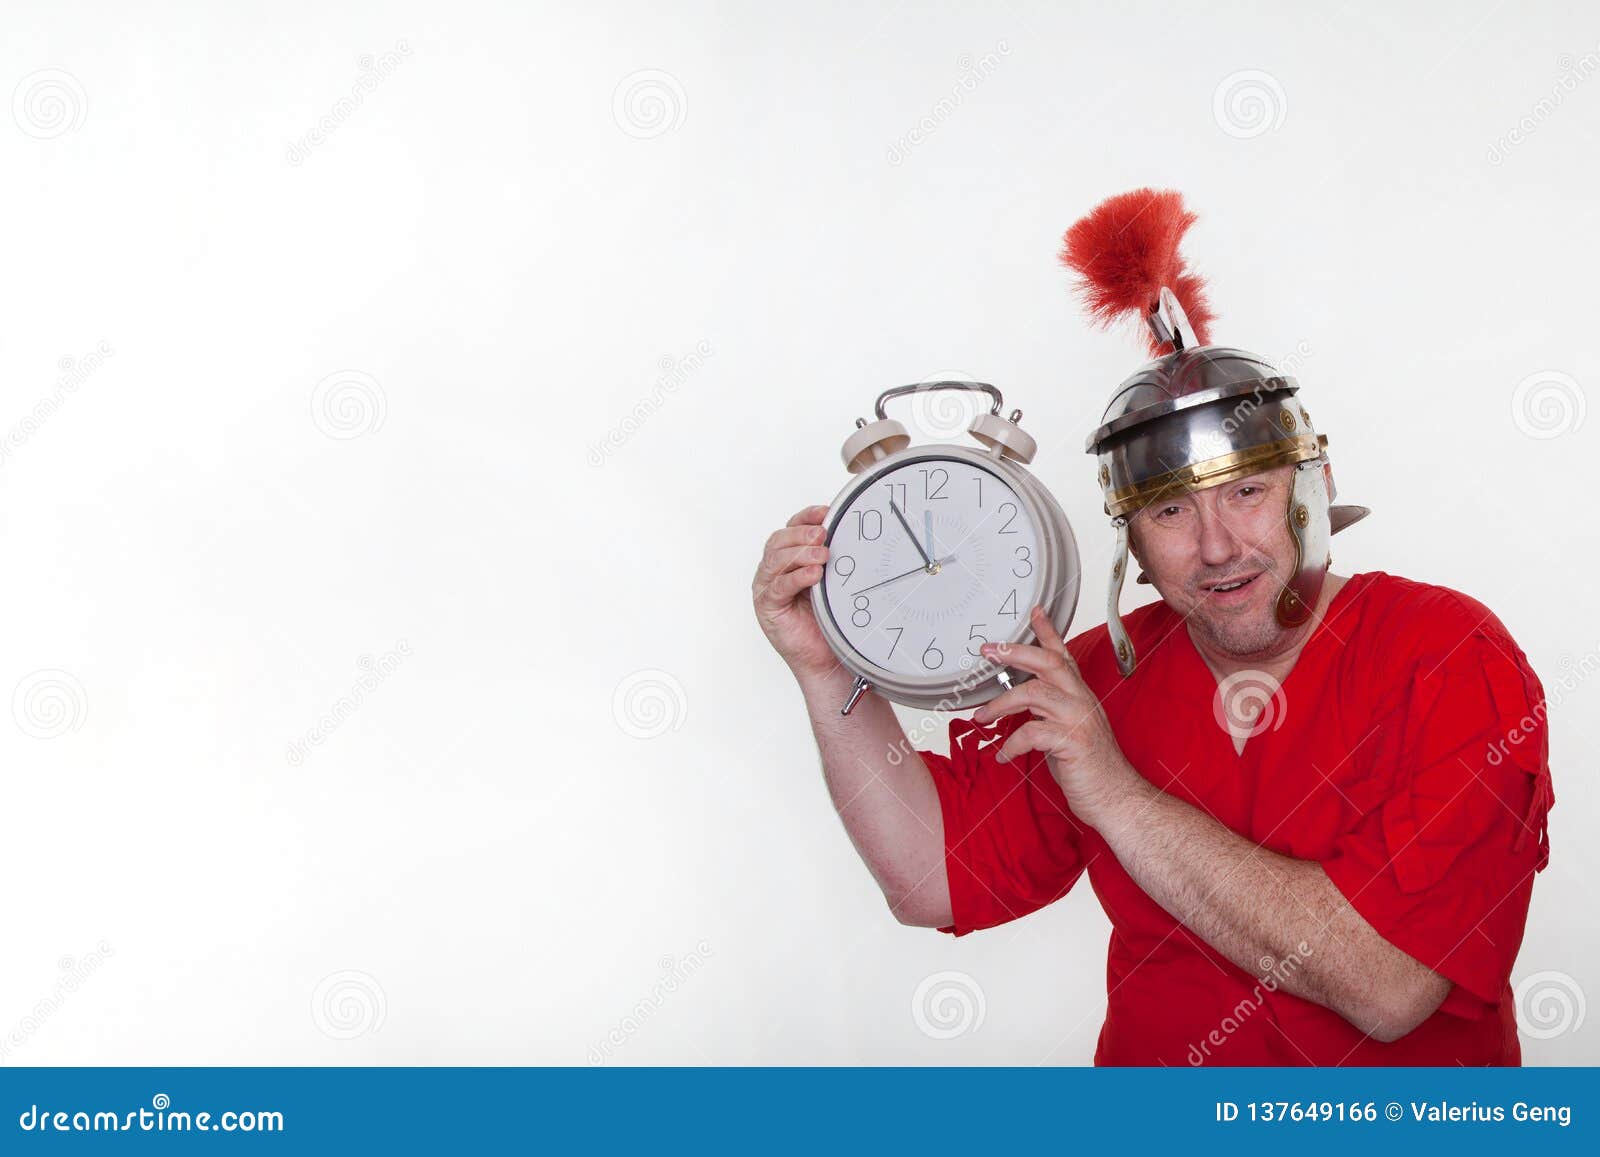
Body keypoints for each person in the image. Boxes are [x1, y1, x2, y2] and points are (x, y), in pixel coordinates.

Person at [750, 189, 1554, 1065]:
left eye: (1247, 492)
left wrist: (1115, 788)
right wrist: (828, 673)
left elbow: (1391, 984)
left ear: (1311, 490)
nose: (1217, 547)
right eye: (1170, 510)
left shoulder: (1449, 657)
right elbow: (930, 878)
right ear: (1129, 538)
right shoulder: (1093, 677)